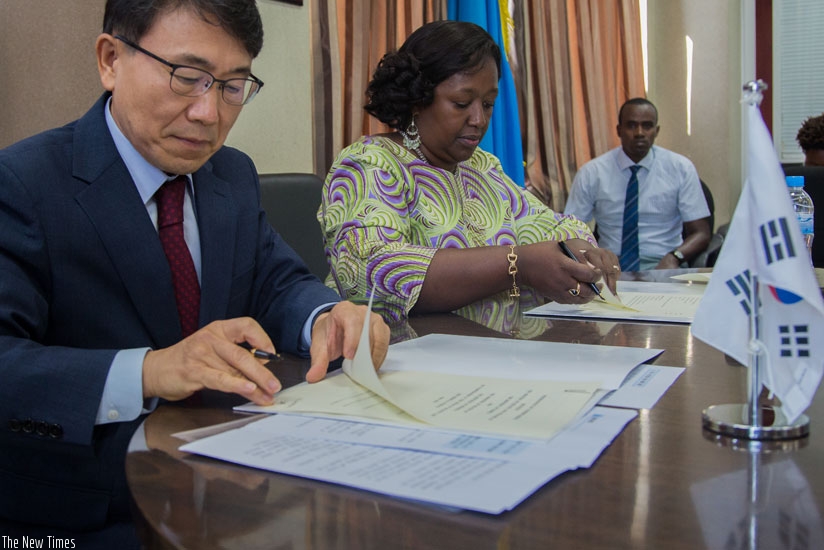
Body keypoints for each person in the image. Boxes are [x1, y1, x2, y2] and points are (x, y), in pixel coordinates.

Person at [0, 0, 389, 545]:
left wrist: (325, 317)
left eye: (233, 86)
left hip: (234, 485)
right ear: (111, 59)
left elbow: (275, 282)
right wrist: (150, 371)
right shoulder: (23, 184)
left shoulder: (230, 173)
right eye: (187, 78)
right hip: (85, 513)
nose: (209, 113)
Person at [318, 20, 619, 324]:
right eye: (461, 103)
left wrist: (580, 250)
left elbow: (550, 227)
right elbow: (371, 272)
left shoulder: (482, 168)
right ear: (417, 100)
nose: (478, 119)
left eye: (488, 104)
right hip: (407, 358)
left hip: (497, 356)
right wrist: (517, 264)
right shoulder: (370, 163)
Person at [564, 98, 711, 270]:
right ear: (619, 130)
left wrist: (675, 257)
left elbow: (701, 233)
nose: (639, 132)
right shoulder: (592, 172)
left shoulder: (680, 168)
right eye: (632, 125)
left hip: (665, 264)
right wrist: (590, 258)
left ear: (656, 131)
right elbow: (570, 230)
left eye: (647, 126)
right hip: (610, 266)